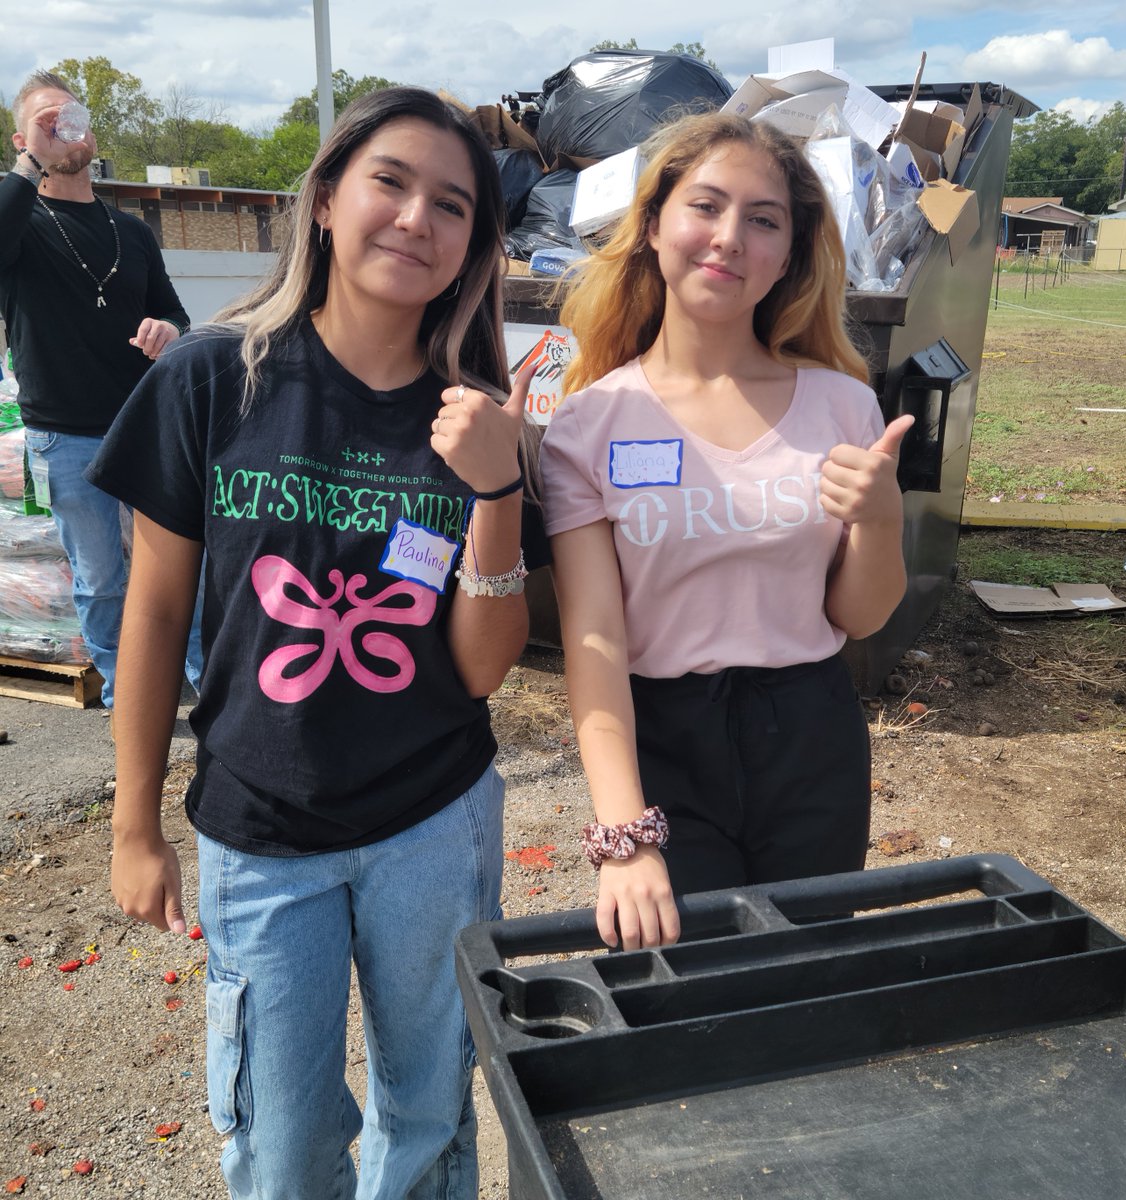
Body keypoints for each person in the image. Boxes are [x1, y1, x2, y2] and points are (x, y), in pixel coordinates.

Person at [88, 87, 544, 1199]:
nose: (416, 220)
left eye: (453, 206)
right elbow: (151, 616)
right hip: (261, 826)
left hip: (434, 822)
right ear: (329, 198)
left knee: (430, 1116)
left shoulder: (477, 420)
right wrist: (134, 821)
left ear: (474, 246)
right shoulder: (211, 378)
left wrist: (497, 484)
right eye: (391, 182)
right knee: (280, 1145)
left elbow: (483, 669)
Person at [540, 111, 914, 952]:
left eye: (763, 219)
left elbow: (860, 616)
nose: (730, 238)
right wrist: (623, 835)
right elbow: (594, 639)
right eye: (706, 206)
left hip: (812, 737)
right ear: (652, 226)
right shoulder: (590, 424)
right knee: (687, 999)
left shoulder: (844, 404)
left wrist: (881, 519)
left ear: (790, 251)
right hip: (664, 741)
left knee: (805, 981)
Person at [1, 69, 202, 705]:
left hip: (148, 426)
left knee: (179, 568)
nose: (66, 129)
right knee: (100, 580)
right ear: (21, 139)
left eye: (72, 115)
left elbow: (177, 312)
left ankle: (205, 688)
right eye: (46, 120)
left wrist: (168, 329)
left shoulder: (133, 231)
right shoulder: (21, 223)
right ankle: (128, 699)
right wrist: (30, 164)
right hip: (65, 433)